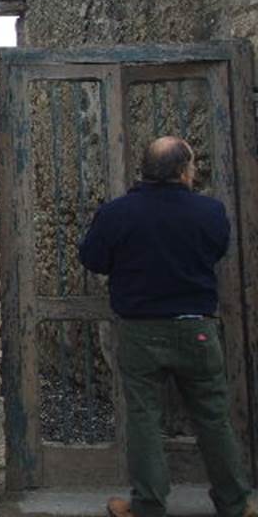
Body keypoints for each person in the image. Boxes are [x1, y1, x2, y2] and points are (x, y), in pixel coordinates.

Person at [79, 136, 255, 517]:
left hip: (140, 330)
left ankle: (148, 503)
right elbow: (217, 250)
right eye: (192, 165)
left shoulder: (116, 213)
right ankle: (234, 501)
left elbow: (92, 258)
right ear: (182, 170)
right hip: (197, 329)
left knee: (143, 417)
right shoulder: (209, 212)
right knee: (212, 415)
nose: (194, 171)